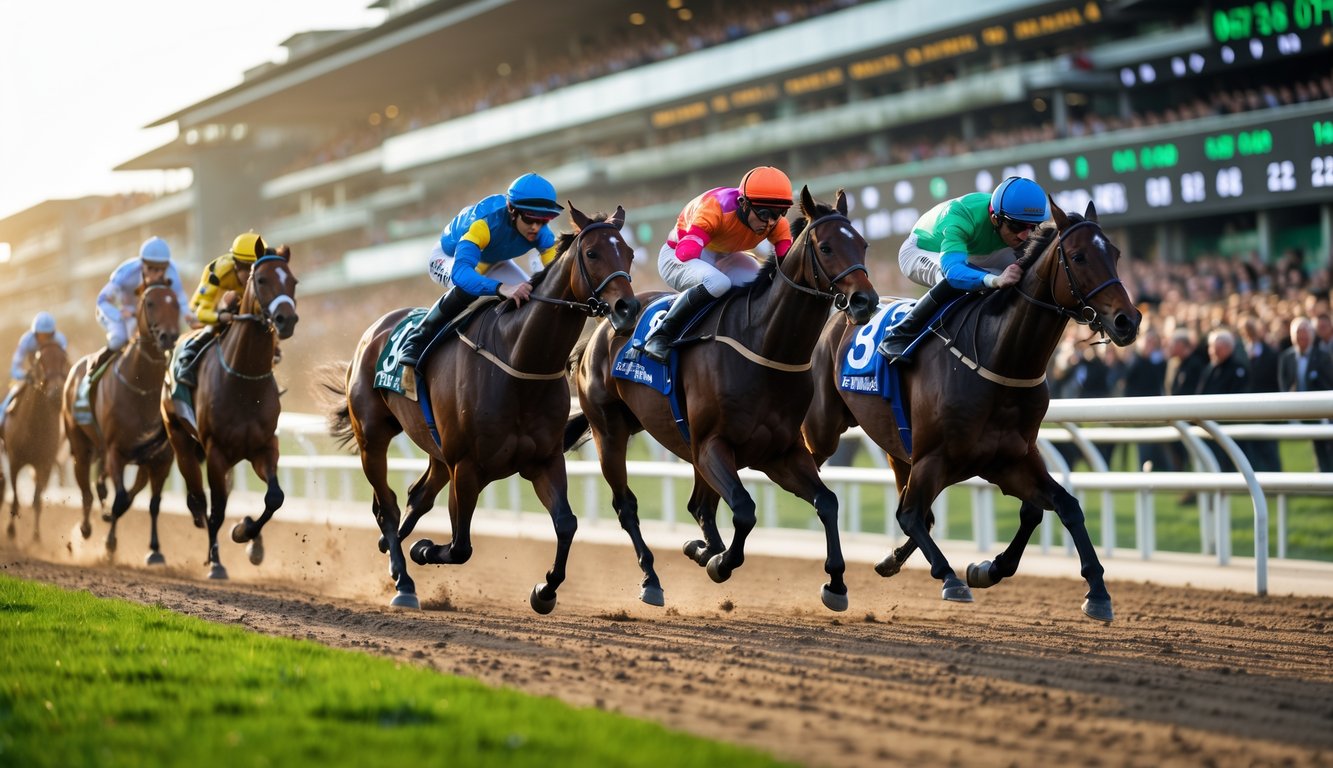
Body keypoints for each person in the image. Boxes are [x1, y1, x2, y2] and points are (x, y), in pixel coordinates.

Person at [397, 172, 565, 369]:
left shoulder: (543, 234)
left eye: (544, 220)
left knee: (531, 295)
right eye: (530, 219)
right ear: (512, 210)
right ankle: (418, 337)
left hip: (492, 261)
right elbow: (461, 274)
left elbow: (556, 274)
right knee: (468, 288)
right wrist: (501, 288)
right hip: (449, 258)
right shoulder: (483, 225)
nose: (536, 228)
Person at [878, 176, 1048, 363]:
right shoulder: (961, 214)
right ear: (995, 218)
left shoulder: (1013, 224)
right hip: (922, 251)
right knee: (953, 280)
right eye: (1017, 226)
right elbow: (953, 272)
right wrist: (994, 280)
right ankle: (899, 335)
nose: (1025, 235)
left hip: (977, 252)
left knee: (1023, 273)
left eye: (1032, 227)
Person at [641, 166, 794, 362]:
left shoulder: (777, 224)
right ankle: (661, 334)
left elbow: (788, 265)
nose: (771, 222)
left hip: (723, 257)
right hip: (676, 256)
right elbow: (685, 253)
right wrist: (698, 235)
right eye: (764, 213)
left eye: (779, 213)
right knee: (718, 283)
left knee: (762, 285)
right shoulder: (715, 208)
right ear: (743, 204)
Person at [174, 232, 273, 389]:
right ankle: (188, 359)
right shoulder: (218, 272)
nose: (253, 278)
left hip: (238, 304)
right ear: (237, 266)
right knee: (225, 308)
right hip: (207, 308)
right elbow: (201, 312)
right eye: (249, 272)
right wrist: (220, 316)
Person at [88, 236, 193, 381]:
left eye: (161, 269)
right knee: (119, 339)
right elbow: (102, 301)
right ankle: (93, 375)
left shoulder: (172, 273)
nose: (157, 274)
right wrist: (119, 313)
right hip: (117, 312)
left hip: (145, 314)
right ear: (142, 264)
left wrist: (191, 318)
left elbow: (182, 303)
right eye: (151, 268)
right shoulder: (127, 273)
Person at [1278, 316, 1333, 471]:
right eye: (1298, 333)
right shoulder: (1286, 357)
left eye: (1304, 332)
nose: (1301, 336)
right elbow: (1284, 385)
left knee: (1326, 448)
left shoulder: (1322, 357)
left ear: (1311, 335)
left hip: (1320, 412)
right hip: (1297, 413)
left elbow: (1329, 383)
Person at [0, 312, 68, 427]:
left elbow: (64, 362)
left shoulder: (60, 340)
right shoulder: (26, 341)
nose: (45, 339)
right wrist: (25, 375)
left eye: (48, 335)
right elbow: (15, 368)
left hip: (53, 375)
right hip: (30, 375)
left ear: (53, 333)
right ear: (35, 334)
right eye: (42, 335)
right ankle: (2, 416)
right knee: (11, 395)